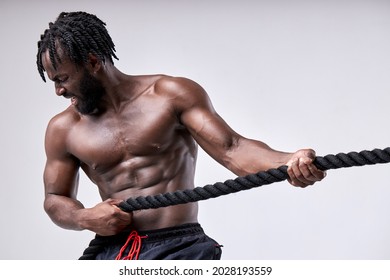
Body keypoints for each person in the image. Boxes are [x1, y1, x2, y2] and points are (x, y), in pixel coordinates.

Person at [37, 11, 326, 260]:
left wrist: (289, 160)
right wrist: (83, 217)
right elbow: (55, 198)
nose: (59, 91)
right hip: (118, 250)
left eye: (62, 79)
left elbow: (233, 149)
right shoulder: (63, 129)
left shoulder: (169, 95)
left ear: (92, 62)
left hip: (180, 248)